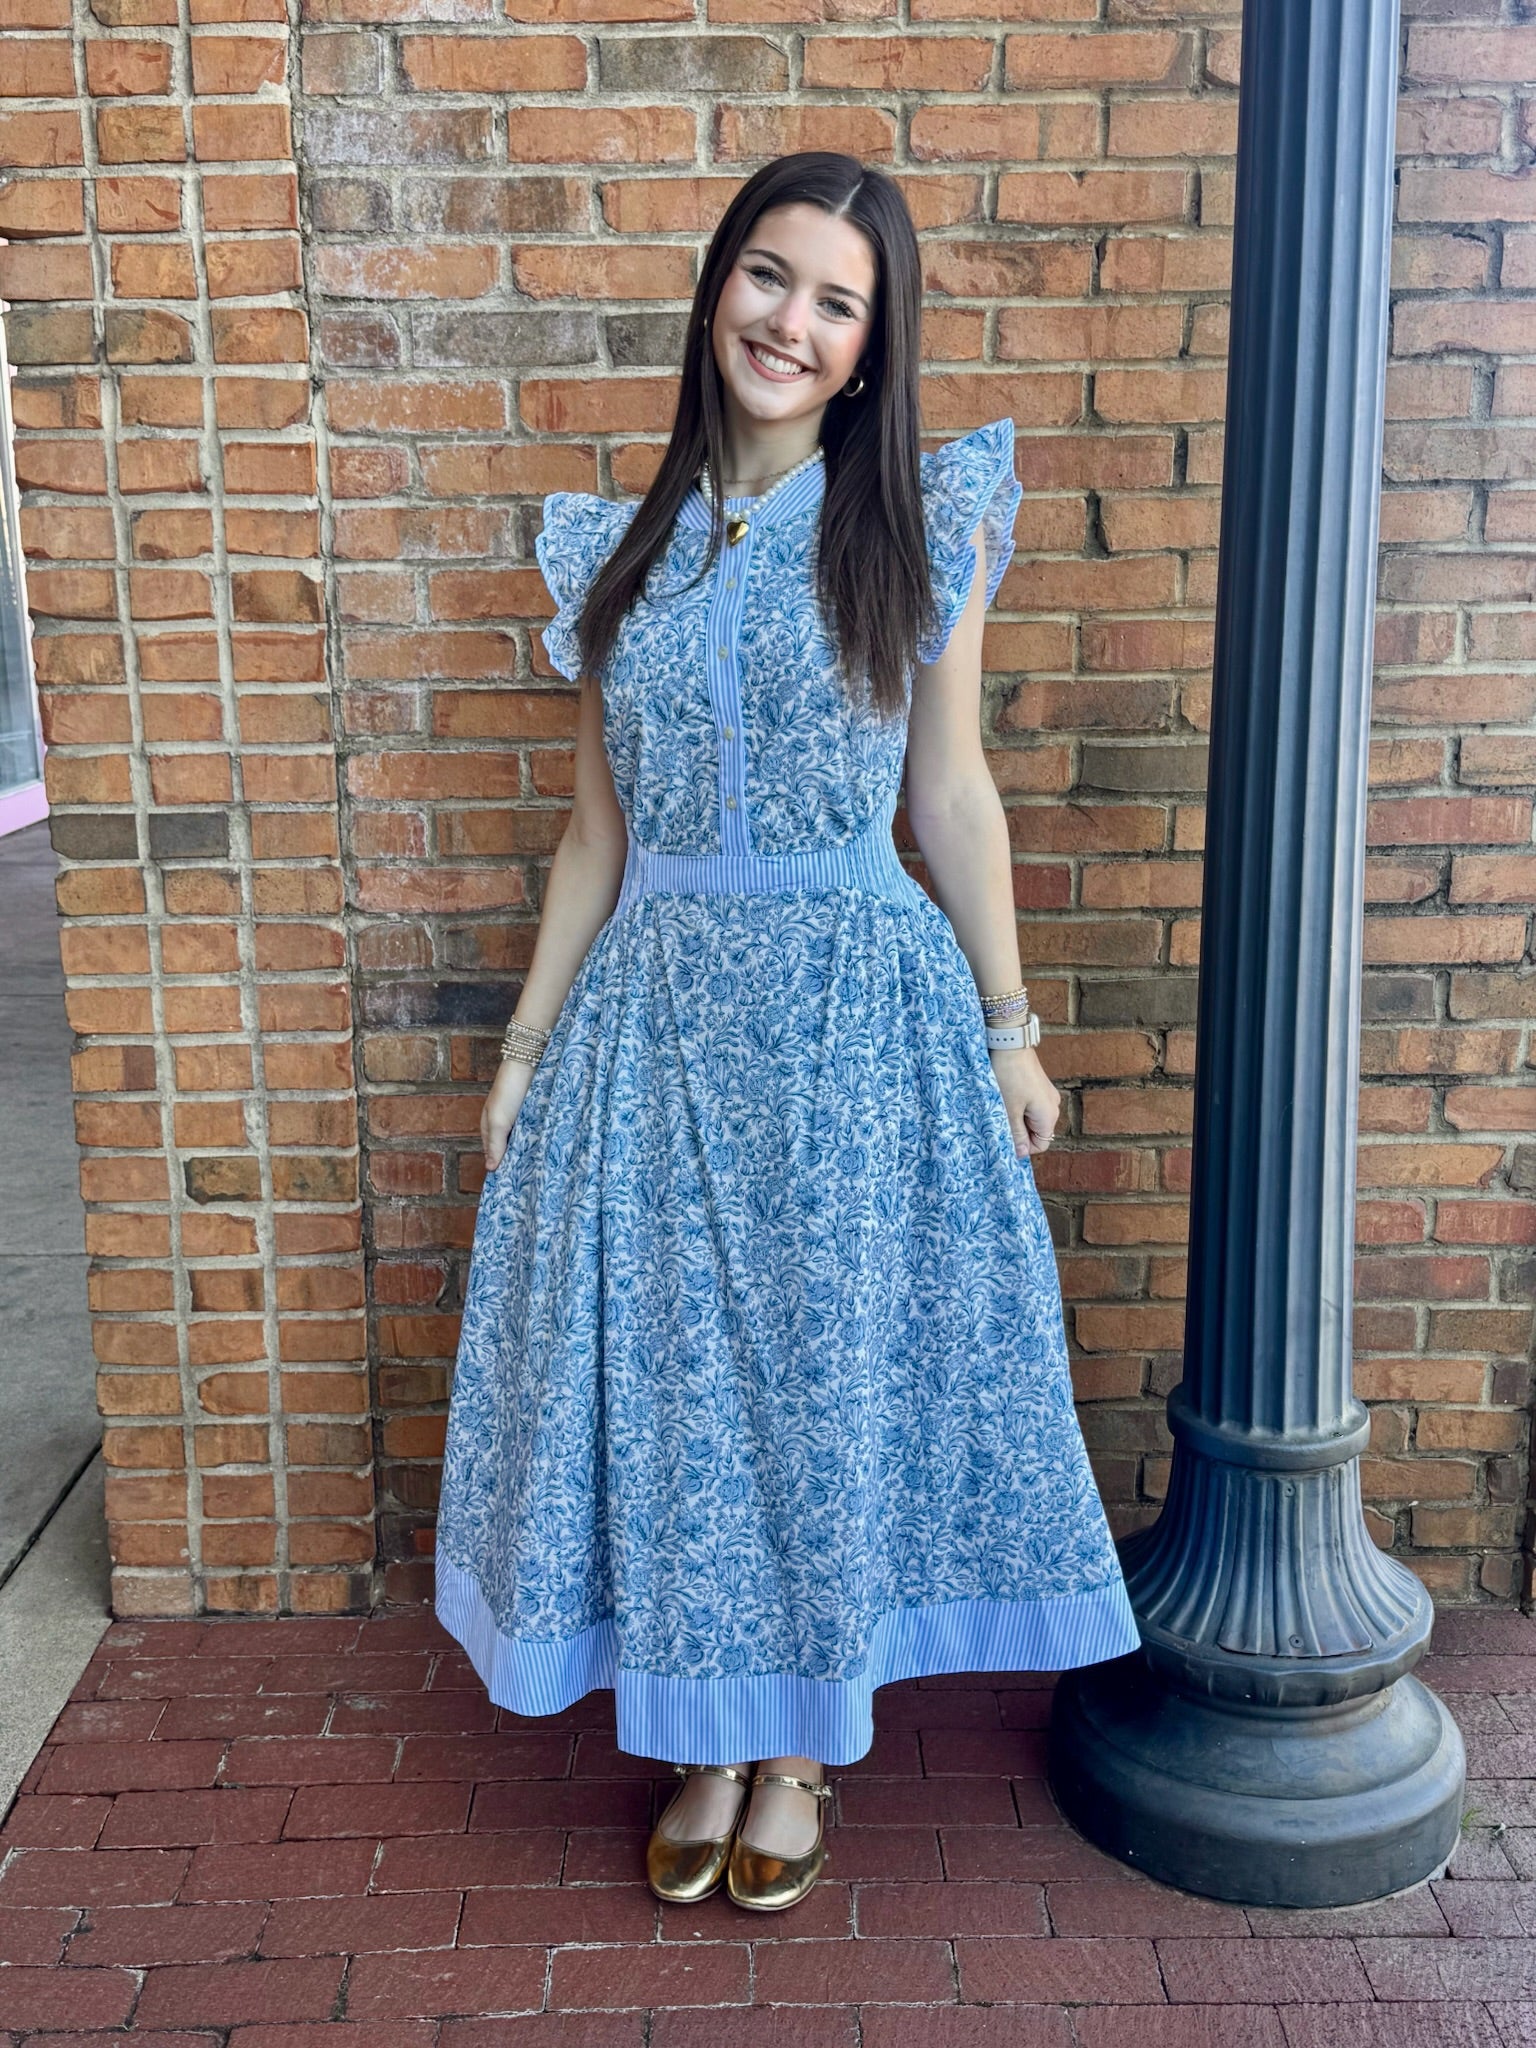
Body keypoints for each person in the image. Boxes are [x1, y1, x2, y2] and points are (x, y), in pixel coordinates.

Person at [434, 150, 1140, 1915]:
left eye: (839, 300)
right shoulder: (617, 550)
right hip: (656, 1021)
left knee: (821, 1381)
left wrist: (1012, 1028)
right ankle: (704, 1731)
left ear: (871, 343)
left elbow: (954, 796)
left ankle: (801, 1747)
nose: (792, 321)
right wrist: (522, 1051)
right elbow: (596, 830)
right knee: (682, 1383)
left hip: (850, 1014)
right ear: (717, 290)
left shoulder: (916, 521)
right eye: (770, 276)